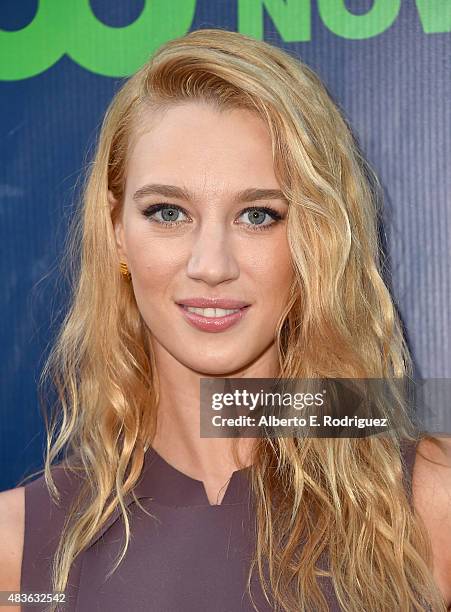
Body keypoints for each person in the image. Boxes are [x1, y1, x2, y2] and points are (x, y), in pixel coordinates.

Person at [1, 28, 450, 612]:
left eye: (258, 215)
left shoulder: (423, 501)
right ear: (116, 232)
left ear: (313, 239)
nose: (211, 265)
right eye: (168, 212)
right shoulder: (23, 549)